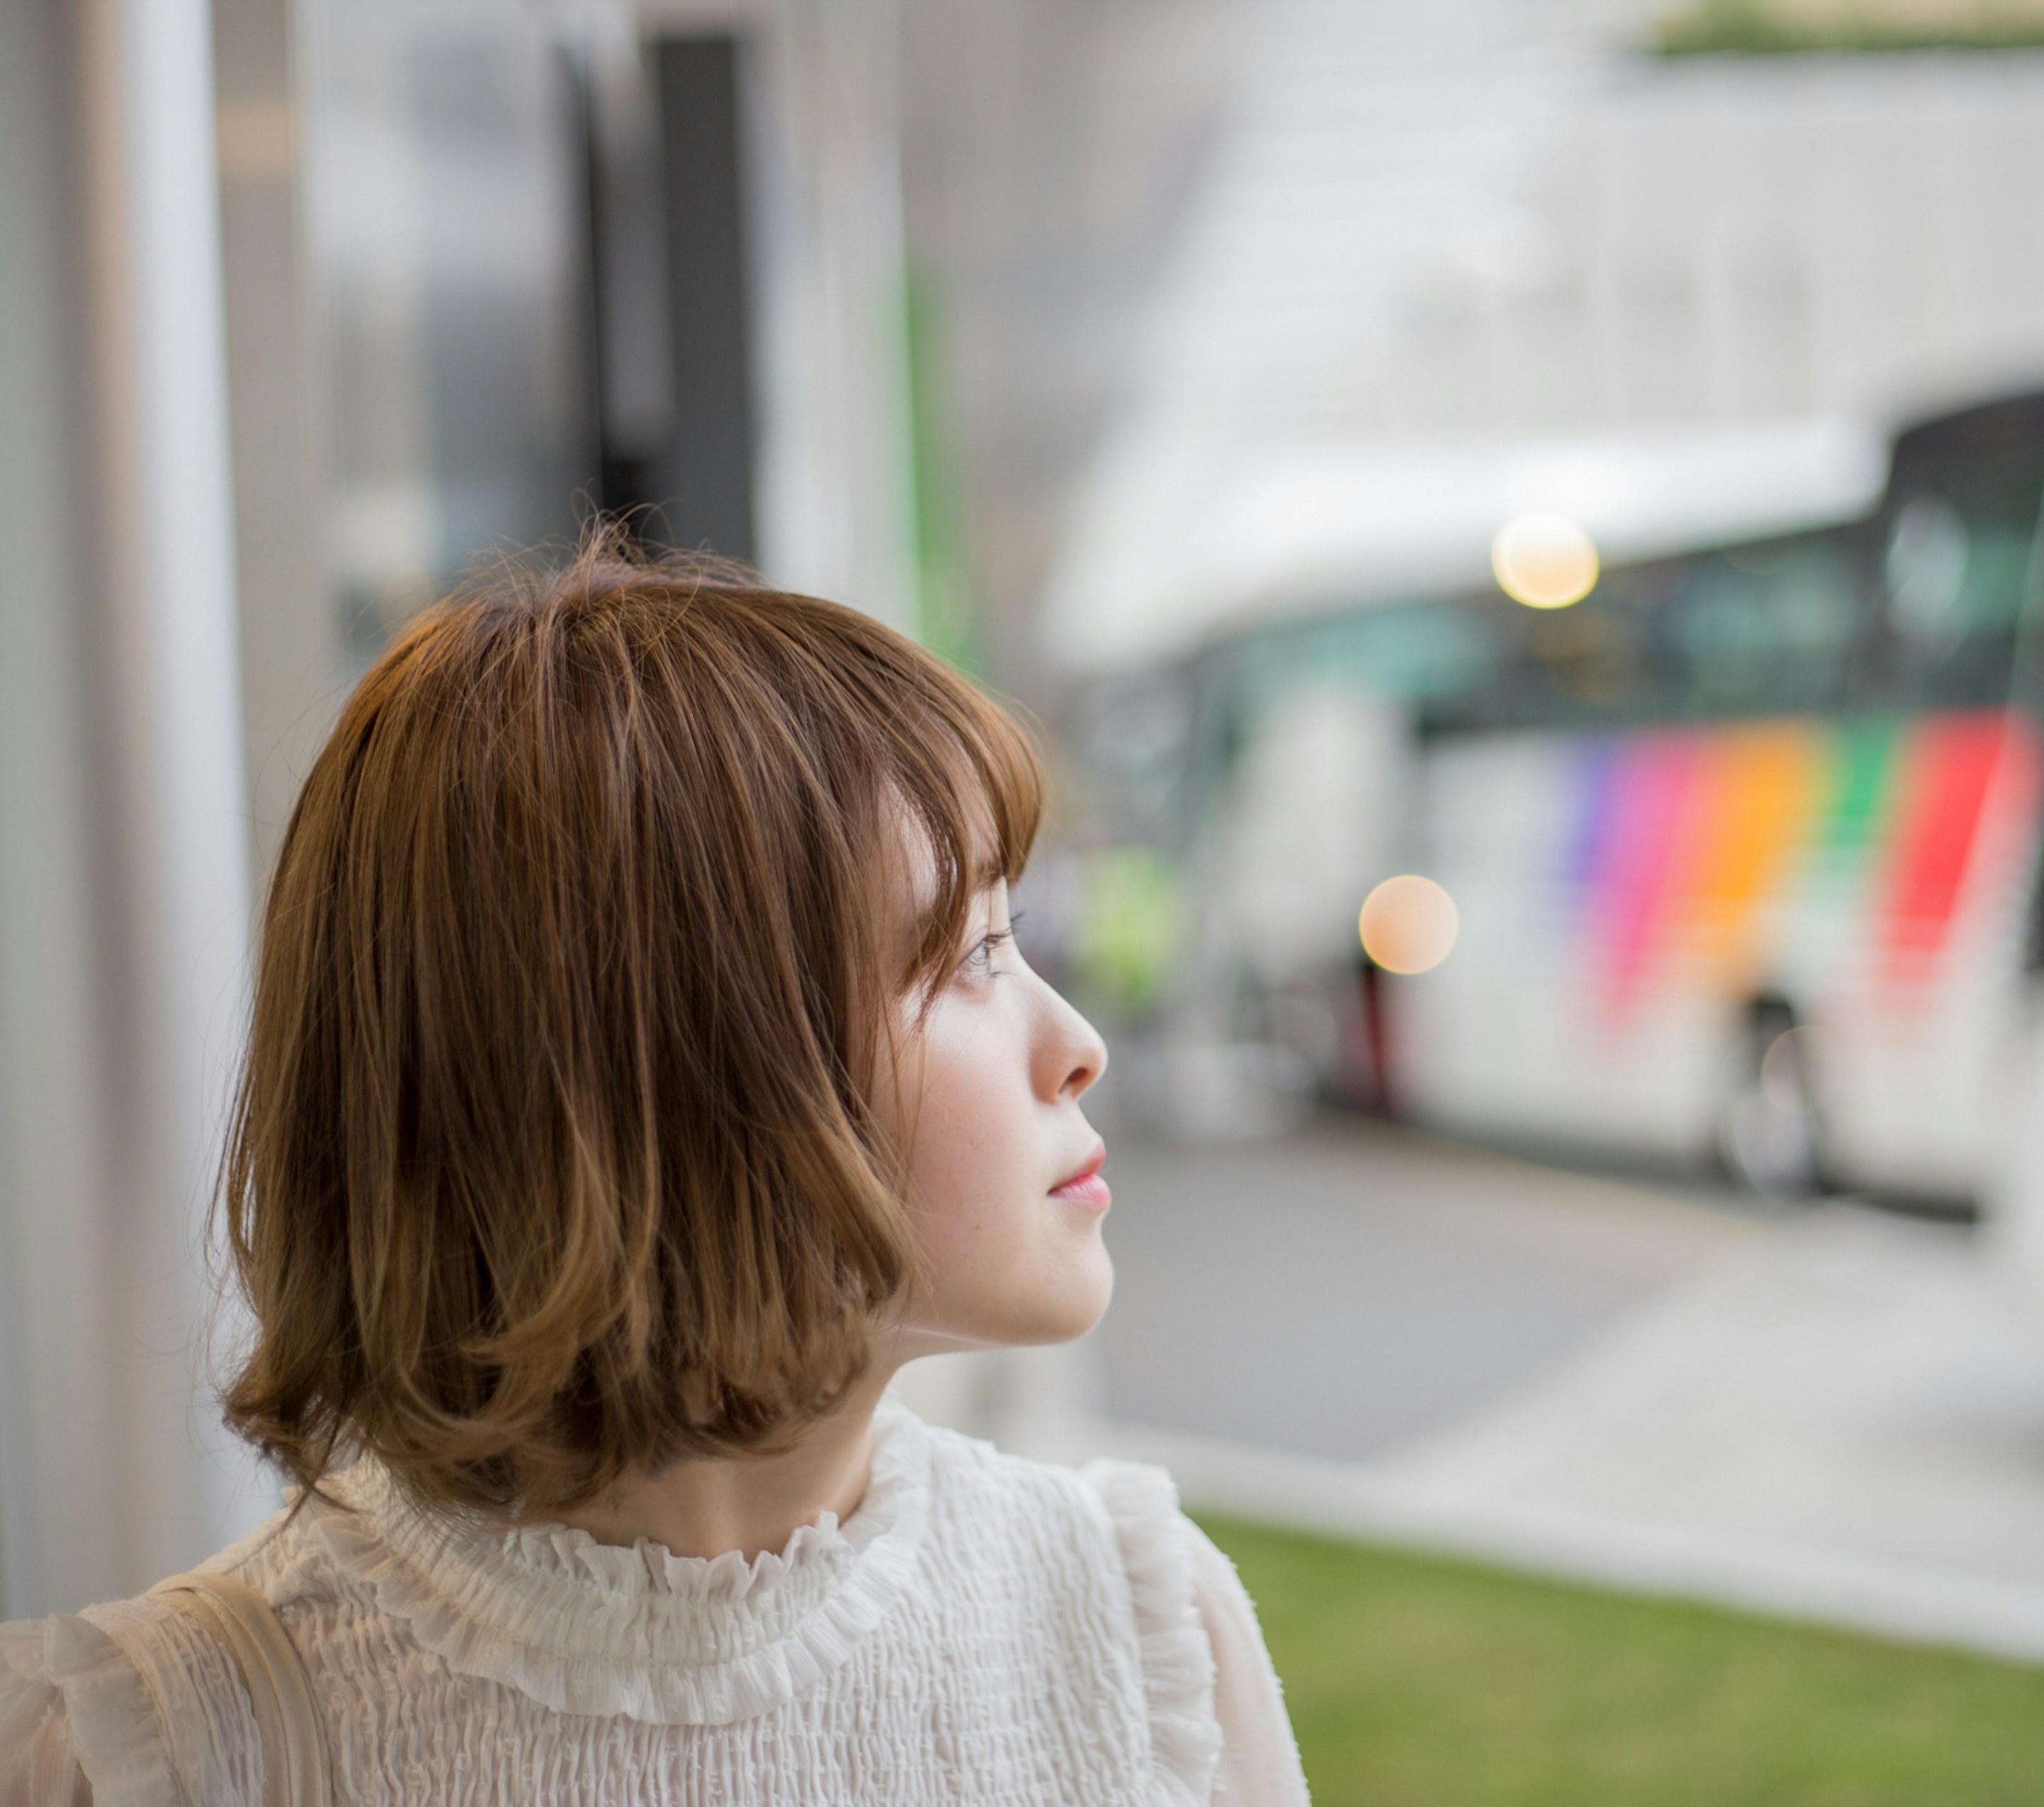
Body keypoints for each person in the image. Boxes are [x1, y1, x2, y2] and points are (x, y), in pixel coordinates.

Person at [0, 542, 1306, 1806]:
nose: (1076, 1047)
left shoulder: (1139, 1638)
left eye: (1016, 938)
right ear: (674, 1075)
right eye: (965, 955)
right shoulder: (157, 1752)